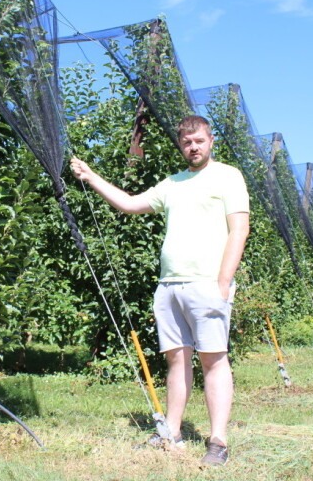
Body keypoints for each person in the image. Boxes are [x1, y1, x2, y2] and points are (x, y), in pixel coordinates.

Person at [69, 115, 249, 466]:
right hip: (168, 286)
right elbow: (131, 204)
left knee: (213, 359)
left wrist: (223, 283)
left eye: (198, 140)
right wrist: (91, 177)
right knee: (176, 360)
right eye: (186, 142)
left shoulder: (228, 176)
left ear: (211, 141)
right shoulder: (172, 183)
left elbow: (239, 230)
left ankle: (218, 441)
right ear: (180, 145)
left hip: (207, 285)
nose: (192, 147)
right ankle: (172, 431)